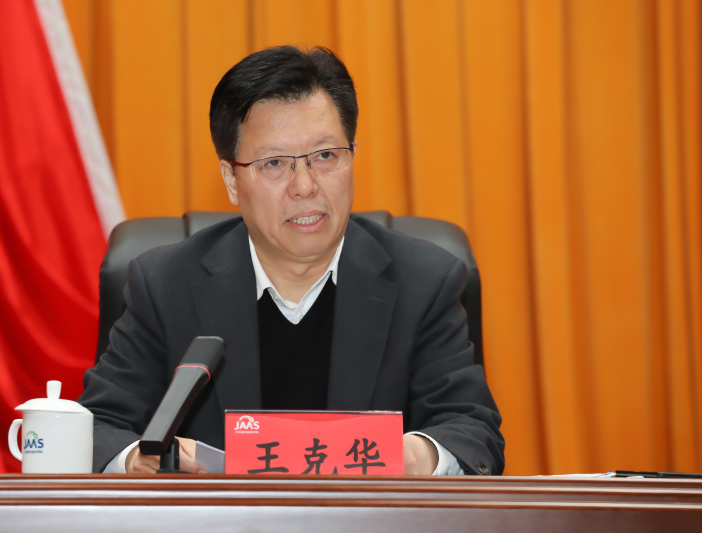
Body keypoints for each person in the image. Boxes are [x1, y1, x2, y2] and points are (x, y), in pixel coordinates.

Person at [78, 45, 504, 476]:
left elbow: (472, 432)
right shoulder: (165, 284)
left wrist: (417, 456)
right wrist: (141, 459)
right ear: (231, 179)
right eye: (274, 163)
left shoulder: (424, 282)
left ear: (352, 154)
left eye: (325, 156)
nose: (304, 186)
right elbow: (97, 428)